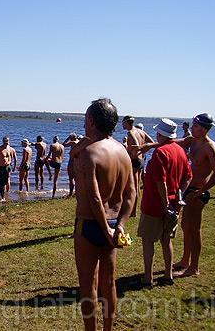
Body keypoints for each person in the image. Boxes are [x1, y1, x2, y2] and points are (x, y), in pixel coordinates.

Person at [73, 99, 135, 331]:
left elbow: (94, 197)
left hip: (90, 223)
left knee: (88, 285)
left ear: (90, 121)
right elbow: (132, 194)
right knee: (109, 283)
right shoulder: (123, 152)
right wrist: (119, 225)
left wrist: (105, 228)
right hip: (113, 222)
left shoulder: (91, 153)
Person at [137, 119, 192, 288]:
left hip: (155, 204)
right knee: (166, 240)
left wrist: (165, 201)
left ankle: (148, 277)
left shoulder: (160, 153)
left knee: (148, 241)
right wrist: (179, 194)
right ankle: (168, 274)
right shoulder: (180, 151)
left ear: (160, 134)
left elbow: (161, 181)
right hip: (174, 205)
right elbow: (188, 176)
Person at [169, 113, 215, 276]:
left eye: (196, 126)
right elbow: (172, 142)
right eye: (193, 125)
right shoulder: (192, 141)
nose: (192, 128)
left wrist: (202, 190)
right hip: (189, 191)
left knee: (195, 229)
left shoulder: (209, 146)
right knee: (186, 226)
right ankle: (185, 260)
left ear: (204, 129)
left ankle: (194, 267)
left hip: (197, 193)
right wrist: (149, 146)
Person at [122, 115, 154, 217]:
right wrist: (143, 152)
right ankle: (134, 211)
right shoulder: (140, 131)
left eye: (123, 122)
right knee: (136, 186)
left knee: (133, 187)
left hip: (134, 160)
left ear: (126, 123)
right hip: (141, 160)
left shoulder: (131, 132)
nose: (122, 124)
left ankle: (133, 212)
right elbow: (151, 142)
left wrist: (127, 150)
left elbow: (136, 145)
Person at [0, 136, 17, 201]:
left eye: (7, 141)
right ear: (3, 141)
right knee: (2, 182)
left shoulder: (11, 149)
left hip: (8, 167)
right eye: (5, 141)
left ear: (9, 141)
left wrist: (14, 167)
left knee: (5, 182)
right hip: (0, 167)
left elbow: (15, 158)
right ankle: (3, 198)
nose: (6, 142)